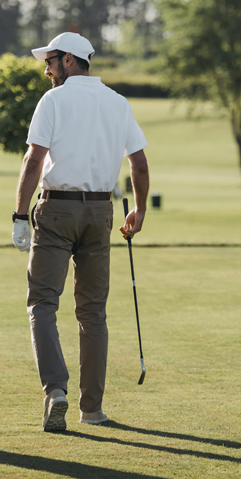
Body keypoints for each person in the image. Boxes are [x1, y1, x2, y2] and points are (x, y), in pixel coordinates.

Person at [11, 32, 150, 432]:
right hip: (101, 213)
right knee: (92, 311)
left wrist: (20, 216)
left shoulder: (53, 100)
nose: (46, 69)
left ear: (70, 60)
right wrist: (139, 209)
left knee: (42, 303)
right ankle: (93, 410)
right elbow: (138, 164)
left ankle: (56, 390)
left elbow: (33, 160)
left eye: (51, 61)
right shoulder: (117, 102)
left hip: (56, 211)